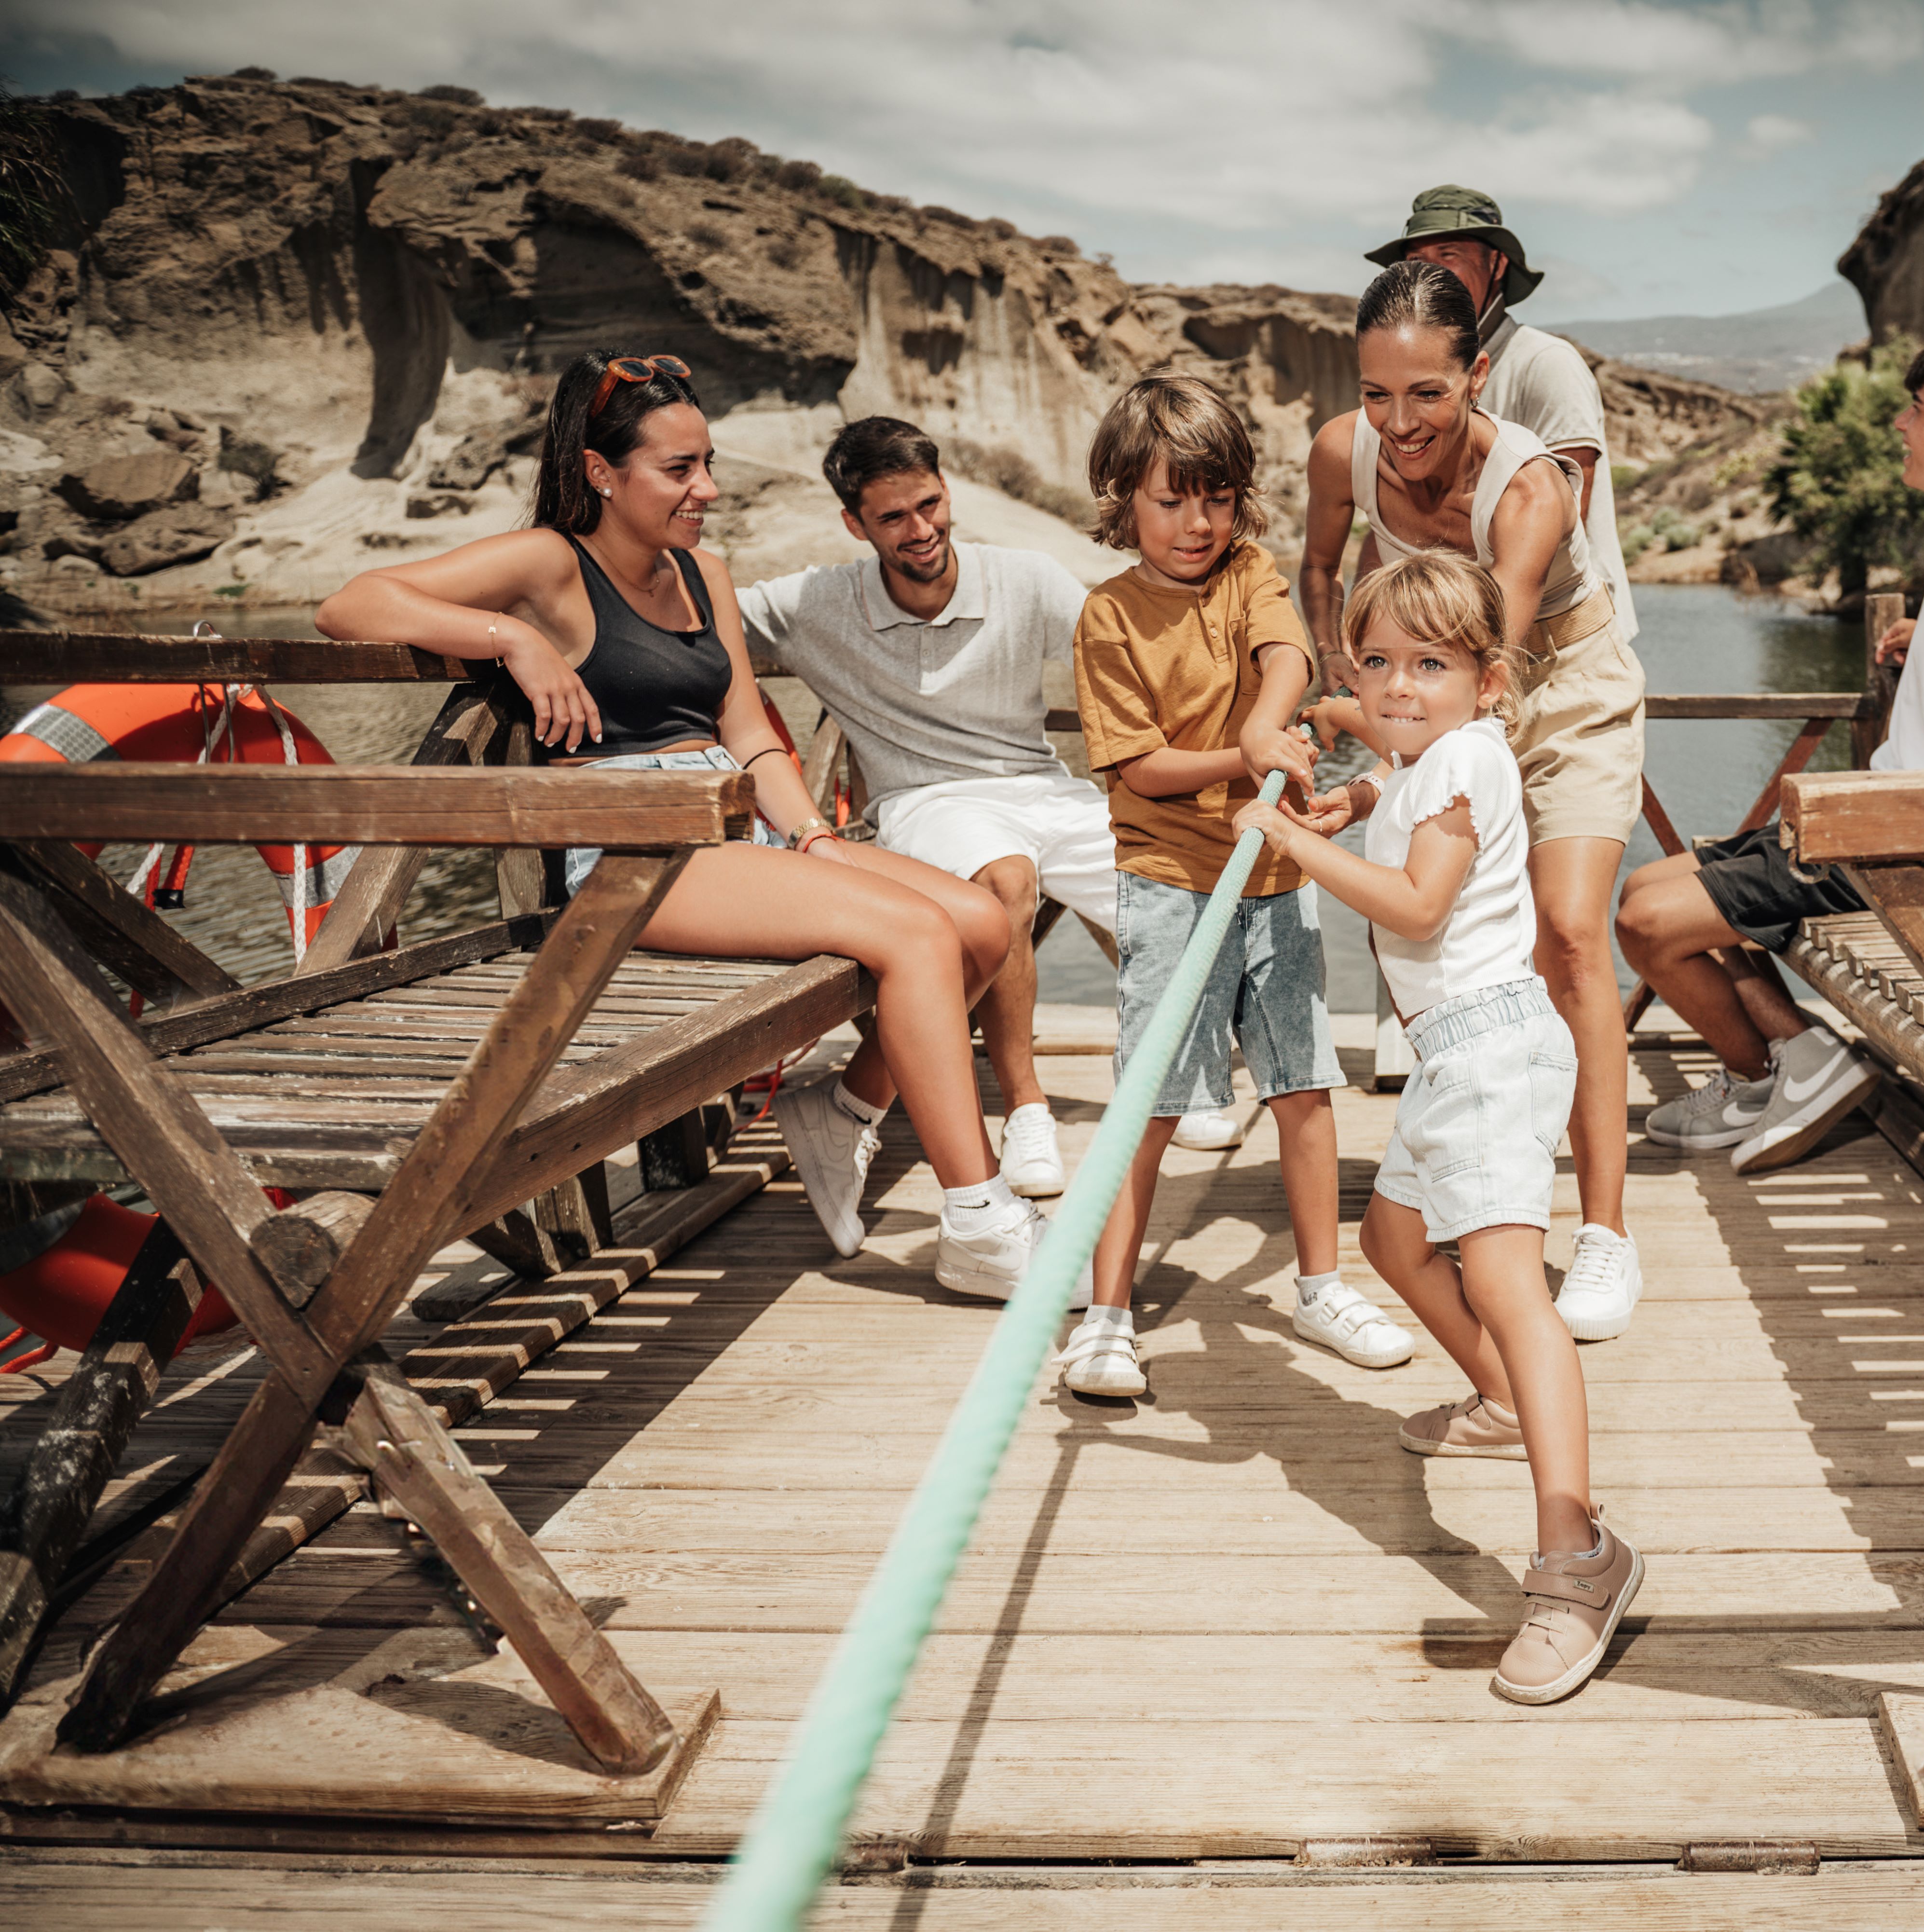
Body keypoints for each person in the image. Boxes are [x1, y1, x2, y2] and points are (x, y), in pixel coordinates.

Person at [314, 350, 1052, 1297]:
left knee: (985, 923)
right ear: (600, 472)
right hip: (632, 851)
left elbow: (746, 726)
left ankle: (843, 1113)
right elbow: (352, 603)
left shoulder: (704, 570)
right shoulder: (550, 564)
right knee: (915, 933)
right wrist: (515, 639)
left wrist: (815, 837)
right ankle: (980, 1223)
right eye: (679, 470)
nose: (705, 488)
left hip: (731, 826)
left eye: (708, 463)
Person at [1235, 552, 1641, 1705]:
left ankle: (1577, 1562)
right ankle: (1503, 1404)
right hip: (1454, 1052)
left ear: (1489, 681)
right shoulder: (1422, 754)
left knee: (1515, 1294)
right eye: (1377, 663)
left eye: (1431, 665)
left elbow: (1420, 902)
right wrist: (1354, 794)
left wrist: (1294, 841)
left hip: (1493, 1053)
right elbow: (1399, 788)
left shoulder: (1465, 755)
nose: (1398, 688)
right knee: (1395, 1241)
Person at [735, 417, 1240, 1204]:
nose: (921, 529)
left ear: (947, 493)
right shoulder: (813, 602)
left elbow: (1130, 656)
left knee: (1160, 874)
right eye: (893, 517)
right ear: (854, 524)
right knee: (1005, 883)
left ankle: (1173, 1068)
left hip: (1038, 783)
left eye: (930, 505)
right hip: (925, 800)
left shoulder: (1026, 578)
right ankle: (1026, 1109)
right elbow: (689, 620)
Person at [1299, 261, 1650, 1343]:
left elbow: (1489, 675)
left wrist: (1371, 776)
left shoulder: (1535, 486)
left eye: (1429, 395)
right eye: (1377, 394)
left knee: (1573, 936)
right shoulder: (1337, 452)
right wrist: (1339, 677)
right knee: (1449, 944)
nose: (1400, 424)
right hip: (1439, 696)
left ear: (1479, 376)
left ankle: (1601, 1231)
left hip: (1556, 686)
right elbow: (1319, 569)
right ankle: (1473, 1173)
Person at [1615, 333, 1924, 1172]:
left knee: (1645, 923)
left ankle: (1793, 1065)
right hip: (1892, 826)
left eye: (1918, 410)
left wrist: (1869, 825)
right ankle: (1776, 1075)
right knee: (1650, 886)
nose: (1901, 423)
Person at [1056, 372, 1418, 1398]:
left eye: (1215, 498)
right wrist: (1239, 757)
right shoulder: (1108, 617)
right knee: (1151, 1103)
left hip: (1273, 873)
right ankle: (1108, 1312)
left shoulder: (1250, 570)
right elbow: (1140, 771)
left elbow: (1289, 648)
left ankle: (1319, 1282)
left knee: (1304, 1083)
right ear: (1123, 497)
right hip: (1172, 879)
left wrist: (1270, 717)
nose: (1196, 522)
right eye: (1171, 500)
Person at [1363, 184, 1634, 663]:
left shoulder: (1546, 363)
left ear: (1498, 265)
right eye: (1417, 259)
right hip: (1448, 645)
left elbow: (1562, 515)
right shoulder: (1403, 371)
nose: (1431, 270)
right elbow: (1393, 519)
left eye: (1449, 254)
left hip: (1559, 646)